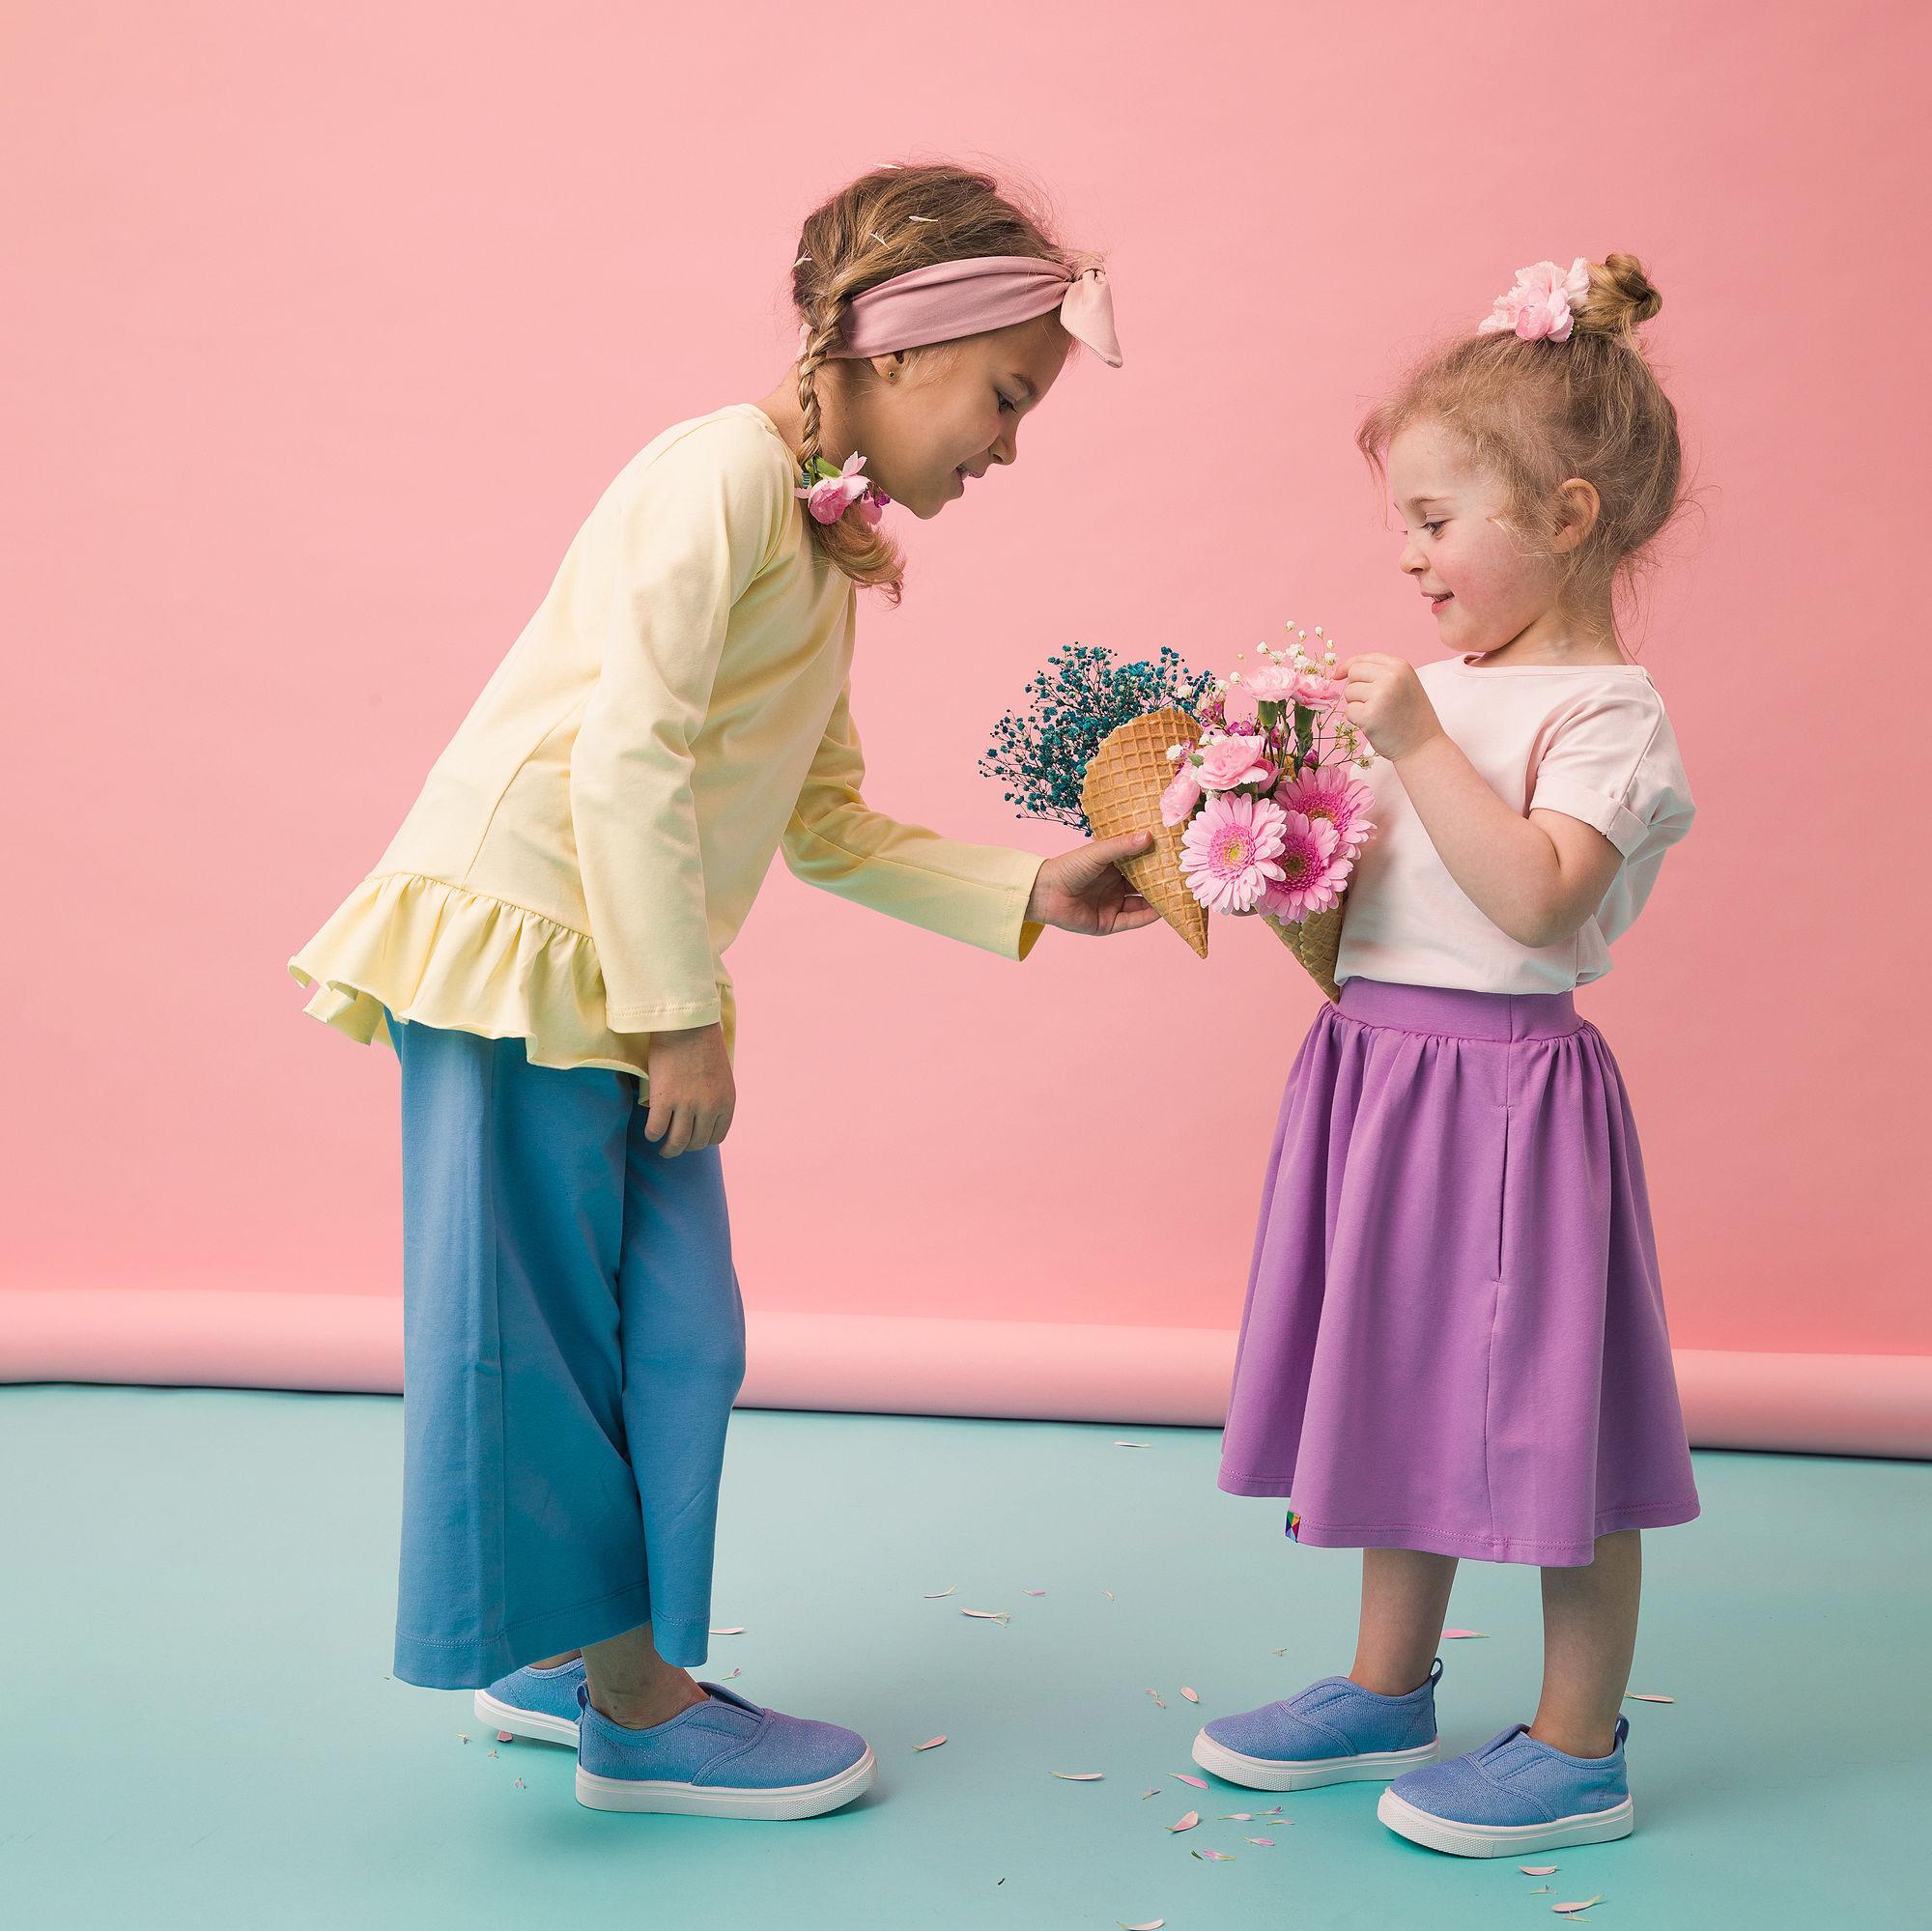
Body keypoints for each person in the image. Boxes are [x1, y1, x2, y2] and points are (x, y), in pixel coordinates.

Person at [287, 161, 1153, 1819]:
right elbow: (625, 755)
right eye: (1006, 396)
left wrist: (1025, 884)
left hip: (617, 964)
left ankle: (580, 1651)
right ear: (900, 350)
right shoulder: (725, 476)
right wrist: (675, 1012)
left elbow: (818, 823)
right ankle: (633, 1702)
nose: (1008, 445)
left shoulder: (821, 542)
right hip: (535, 951)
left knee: (676, 1333)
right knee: (545, 1336)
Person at [1194, 255, 1700, 1859]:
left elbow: (1543, 896)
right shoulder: (1449, 691)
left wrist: (1410, 742)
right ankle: (1386, 1684)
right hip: (1382, 1080)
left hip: (1504, 1098)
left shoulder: (1609, 712)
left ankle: (1575, 1742)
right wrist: (1264, 839)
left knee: (1564, 1419)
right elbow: (1379, 909)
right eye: (1400, 520)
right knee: (1392, 1384)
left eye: (1433, 519)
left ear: (1562, 517)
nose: (1404, 553)